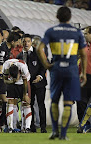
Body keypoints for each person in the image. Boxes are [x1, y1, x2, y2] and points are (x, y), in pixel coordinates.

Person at [37, 6, 87, 140]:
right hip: (71, 70)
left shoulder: (51, 31)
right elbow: (83, 53)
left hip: (57, 69)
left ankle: (54, 131)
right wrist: (83, 74)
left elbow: (39, 48)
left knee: (54, 101)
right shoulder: (76, 32)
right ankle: (63, 135)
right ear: (70, 18)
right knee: (68, 103)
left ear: (57, 17)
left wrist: (47, 64)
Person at [17, 34, 47, 133]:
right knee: (29, 104)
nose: (26, 43)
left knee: (41, 104)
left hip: (39, 84)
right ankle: (32, 126)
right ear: (21, 42)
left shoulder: (38, 52)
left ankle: (43, 127)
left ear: (31, 42)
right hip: (27, 85)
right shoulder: (19, 56)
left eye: (28, 41)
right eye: (24, 41)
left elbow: (44, 66)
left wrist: (40, 76)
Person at [2, 59, 31, 133]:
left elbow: (25, 82)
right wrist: (13, 81)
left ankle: (27, 127)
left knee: (26, 103)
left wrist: (25, 95)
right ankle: (10, 127)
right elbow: (4, 80)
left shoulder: (23, 66)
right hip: (11, 84)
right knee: (10, 102)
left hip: (22, 84)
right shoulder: (6, 65)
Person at [77, 26, 91, 133]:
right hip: (83, 76)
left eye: (86, 33)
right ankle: (83, 125)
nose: (84, 35)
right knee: (81, 101)